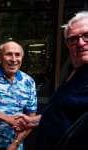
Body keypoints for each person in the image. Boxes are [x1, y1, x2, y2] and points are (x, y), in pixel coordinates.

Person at [14, 11, 88, 150]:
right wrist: (33, 121)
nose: (80, 43)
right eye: (73, 39)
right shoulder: (72, 72)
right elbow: (61, 111)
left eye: (86, 35)